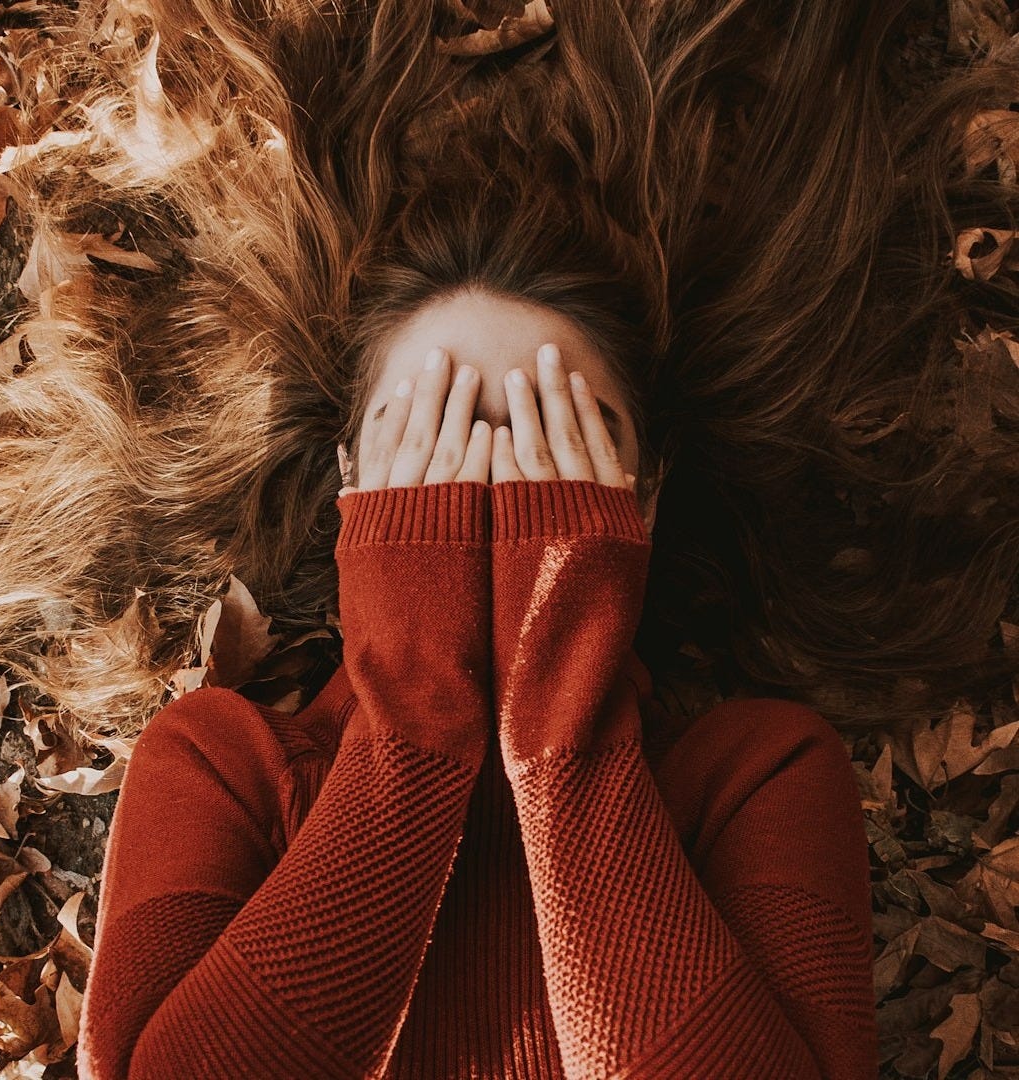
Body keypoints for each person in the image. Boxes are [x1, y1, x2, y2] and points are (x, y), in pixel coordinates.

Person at [75, 290, 878, 1080]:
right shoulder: (215, 762)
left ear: (646, 498)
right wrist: (413, 725)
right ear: (352, 481)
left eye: (557, 442)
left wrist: (566, 733)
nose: (497, 482)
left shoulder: (765, 771)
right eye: (435, 438)